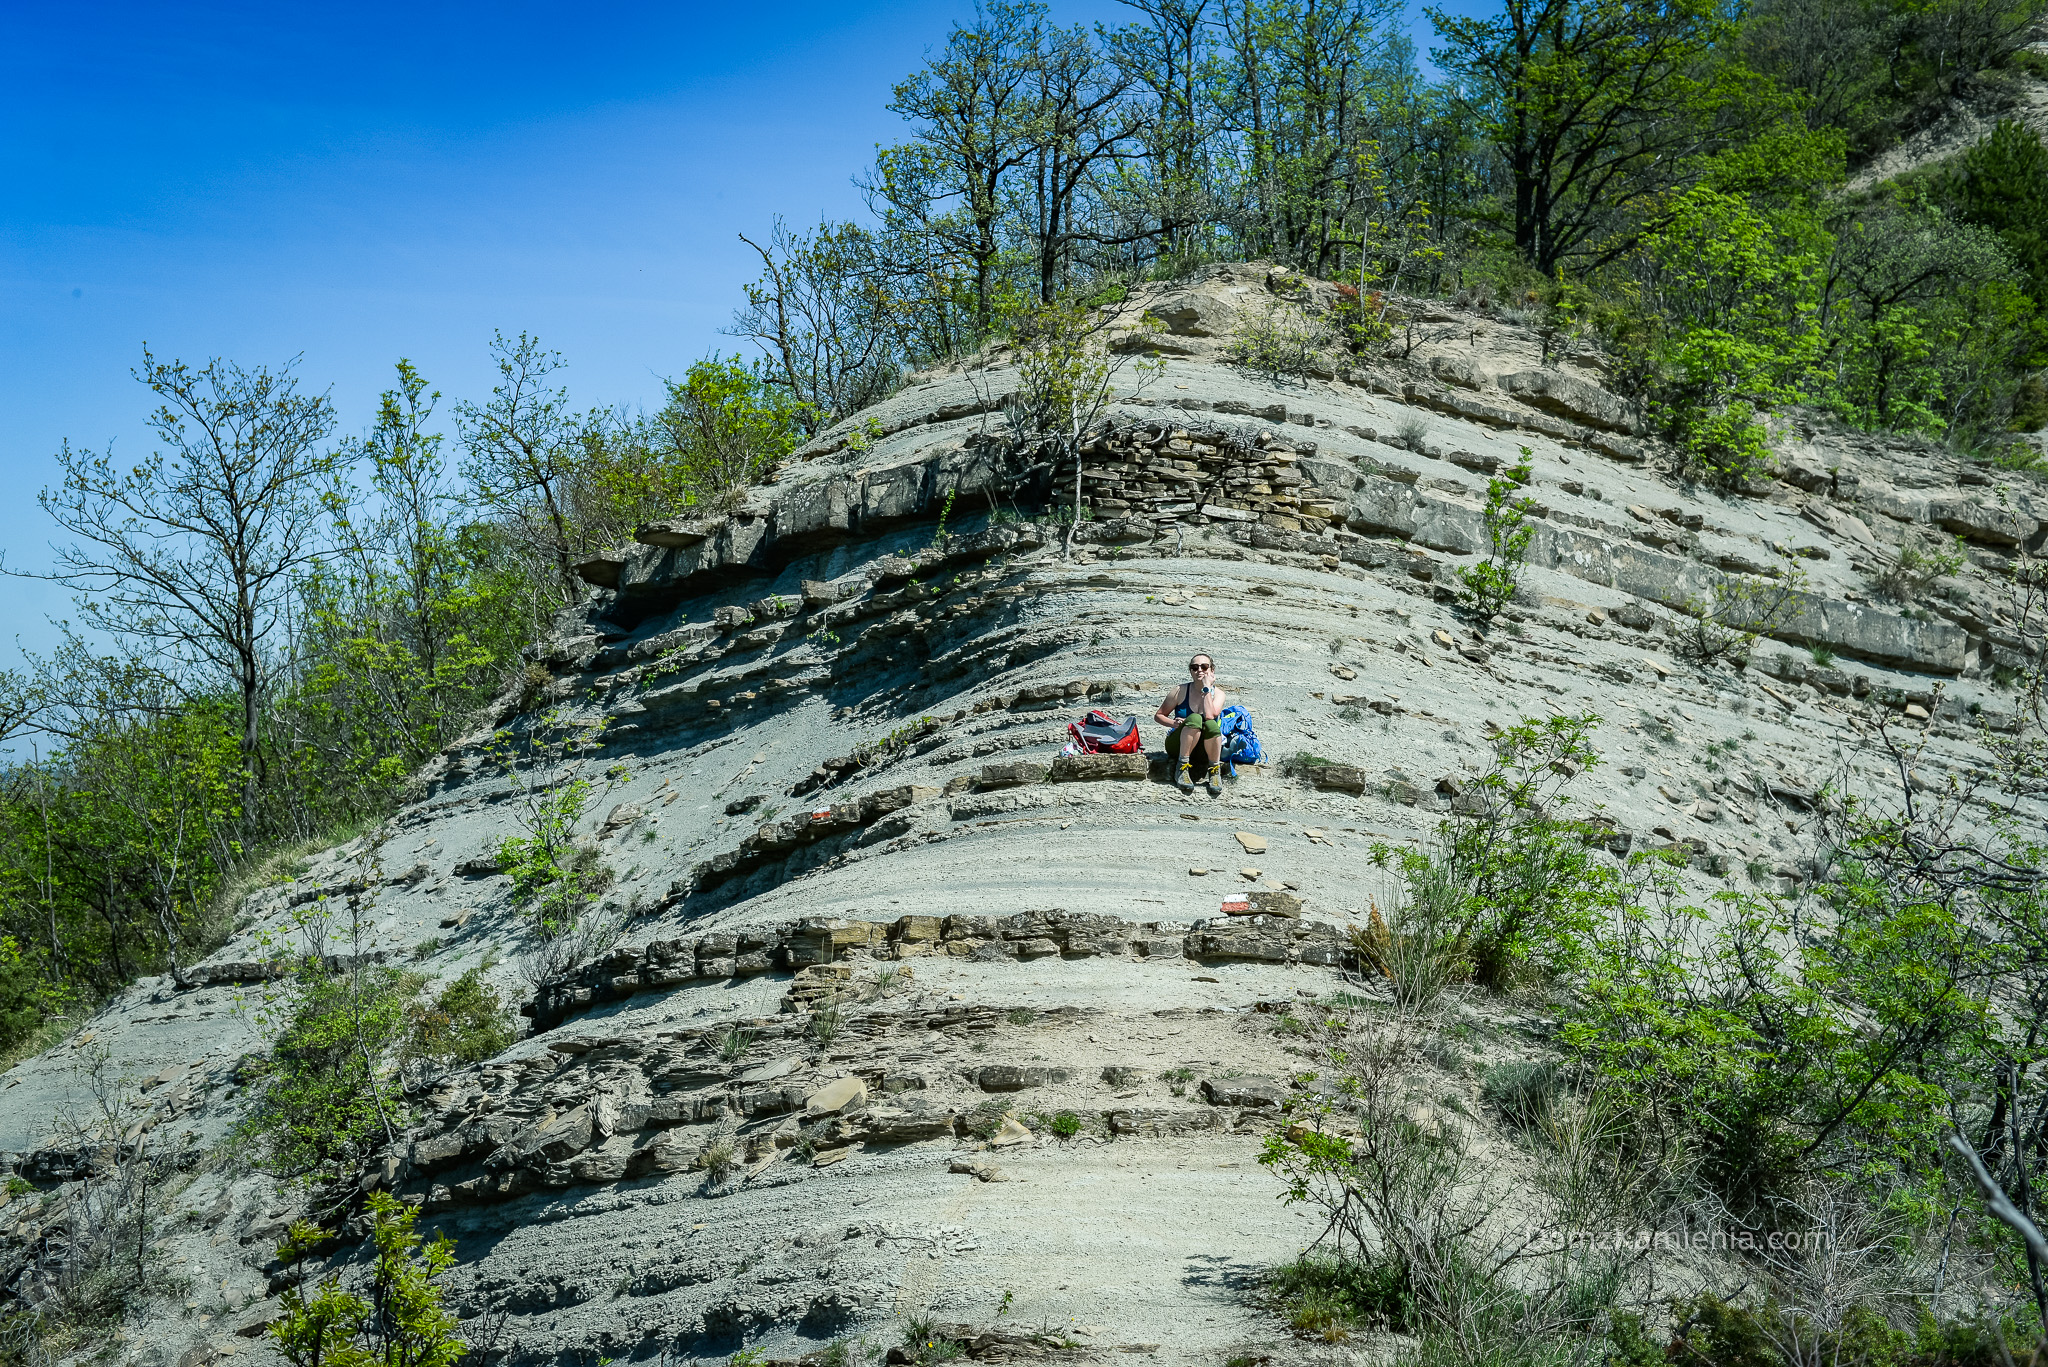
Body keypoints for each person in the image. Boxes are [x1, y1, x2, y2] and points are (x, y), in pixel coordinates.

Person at [1155, 652, 1226, 796]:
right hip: (1178, 744)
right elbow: (1159, 715)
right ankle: (1182, 768)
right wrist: (1173, 723)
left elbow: (1210, 715)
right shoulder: (1179, 691)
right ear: (1190, 671)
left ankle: (1214, 771)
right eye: (1194, 667)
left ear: (1212, 670)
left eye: (1204, 667)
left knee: (1211, 725)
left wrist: (1206, 688)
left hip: (1203, 749)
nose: (1199, 670)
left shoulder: (1218, 694)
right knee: (1194, 719)